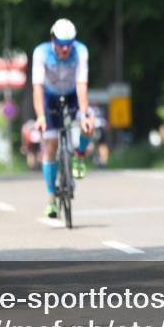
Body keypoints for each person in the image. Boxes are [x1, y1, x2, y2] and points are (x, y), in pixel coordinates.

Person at [33, 18, 95, 219]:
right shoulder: (41, 53)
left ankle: (79, 156)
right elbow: (37, 88)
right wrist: (41, 116)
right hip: (49, 98)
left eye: (70, 45)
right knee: (51, 143)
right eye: (62, 45)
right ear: (53, 40)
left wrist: (84, 114)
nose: (66, 49)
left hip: (72, 95)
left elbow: (81, 84)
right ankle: (51, 199)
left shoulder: (81, 51)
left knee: (88, 124)